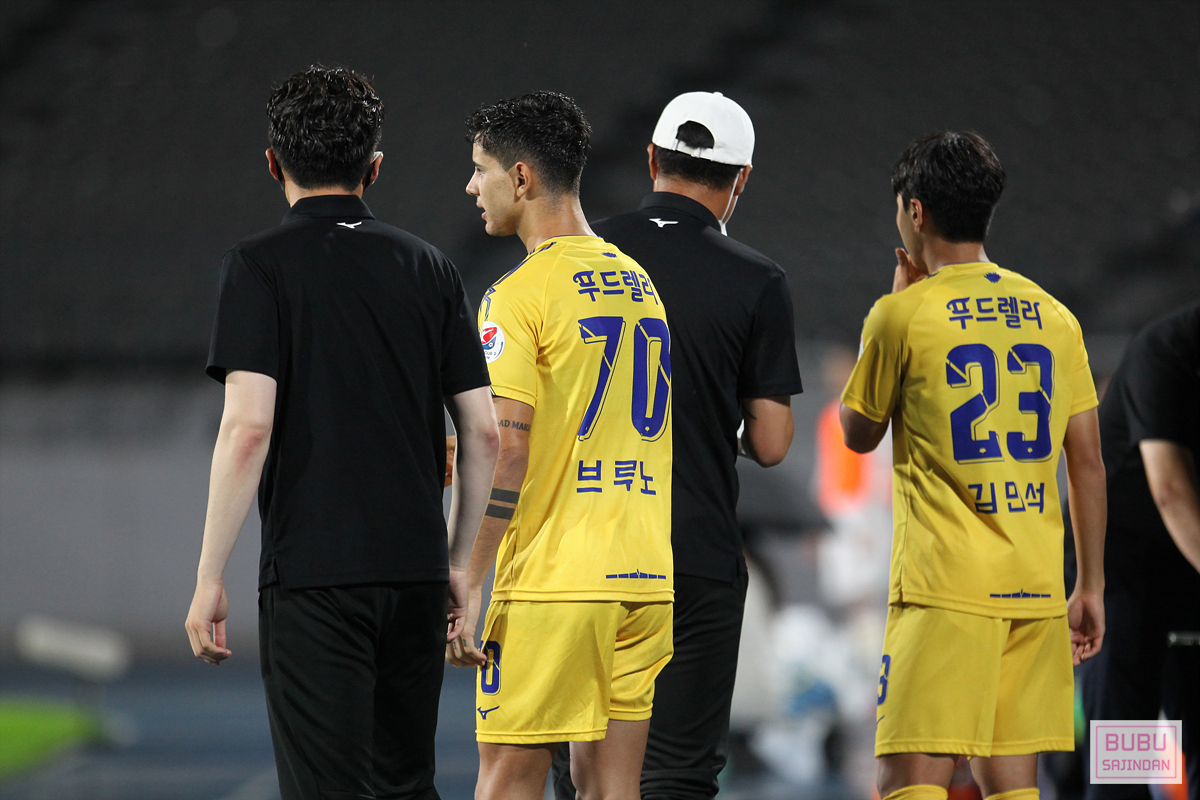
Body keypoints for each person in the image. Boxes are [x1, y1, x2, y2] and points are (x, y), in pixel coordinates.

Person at [183, 66, 499, 800]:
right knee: (406, 785)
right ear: (374, 168)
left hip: (314, 578)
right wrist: (456, 564)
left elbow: (248, 428)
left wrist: (208, 578)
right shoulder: (430, 267)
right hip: (416, 574)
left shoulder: (256, 267)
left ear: (274, 164)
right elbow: (483, 432)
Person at [546, 90, 802, 800]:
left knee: (581, 773)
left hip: (582, 547)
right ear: (741, 178)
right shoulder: (758, 278)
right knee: (677, 776)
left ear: (652, 158)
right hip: (692, 550)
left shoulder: (574, 255)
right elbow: (772, 441)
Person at [839, 130, 1107, 800]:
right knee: (1013, 788)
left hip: (944, 594)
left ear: (916, 210)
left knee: (908, 783)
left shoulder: (904, 315)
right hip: (1034, 592)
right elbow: (1087, 464)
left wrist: (891, 306)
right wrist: (1089, 585)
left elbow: (858, 433)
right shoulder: (1055, 318)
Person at [445, 91, 673, 800]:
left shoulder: (518, 295)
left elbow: (506, 448)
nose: (471, 187)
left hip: (556, 582)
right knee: (610, 788)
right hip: (643, 575)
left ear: (521, 177)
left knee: (508, 779)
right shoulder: (638, 283)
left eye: (480, 169)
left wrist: (467, 576)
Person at [1080, 302, 1200, 799]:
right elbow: (1170, 491)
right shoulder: (1166, 351)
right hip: (1120, 576)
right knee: (1124, 762)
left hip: (1188, 573)